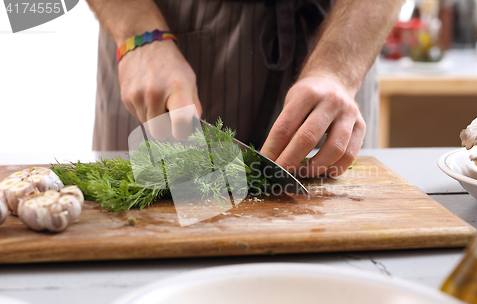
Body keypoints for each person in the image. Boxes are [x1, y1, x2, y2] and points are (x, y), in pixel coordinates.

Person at [88, 0, 404, 177]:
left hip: (343, 33)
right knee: (146, 223)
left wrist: (338, 67)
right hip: (159, 36)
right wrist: (140, 37)